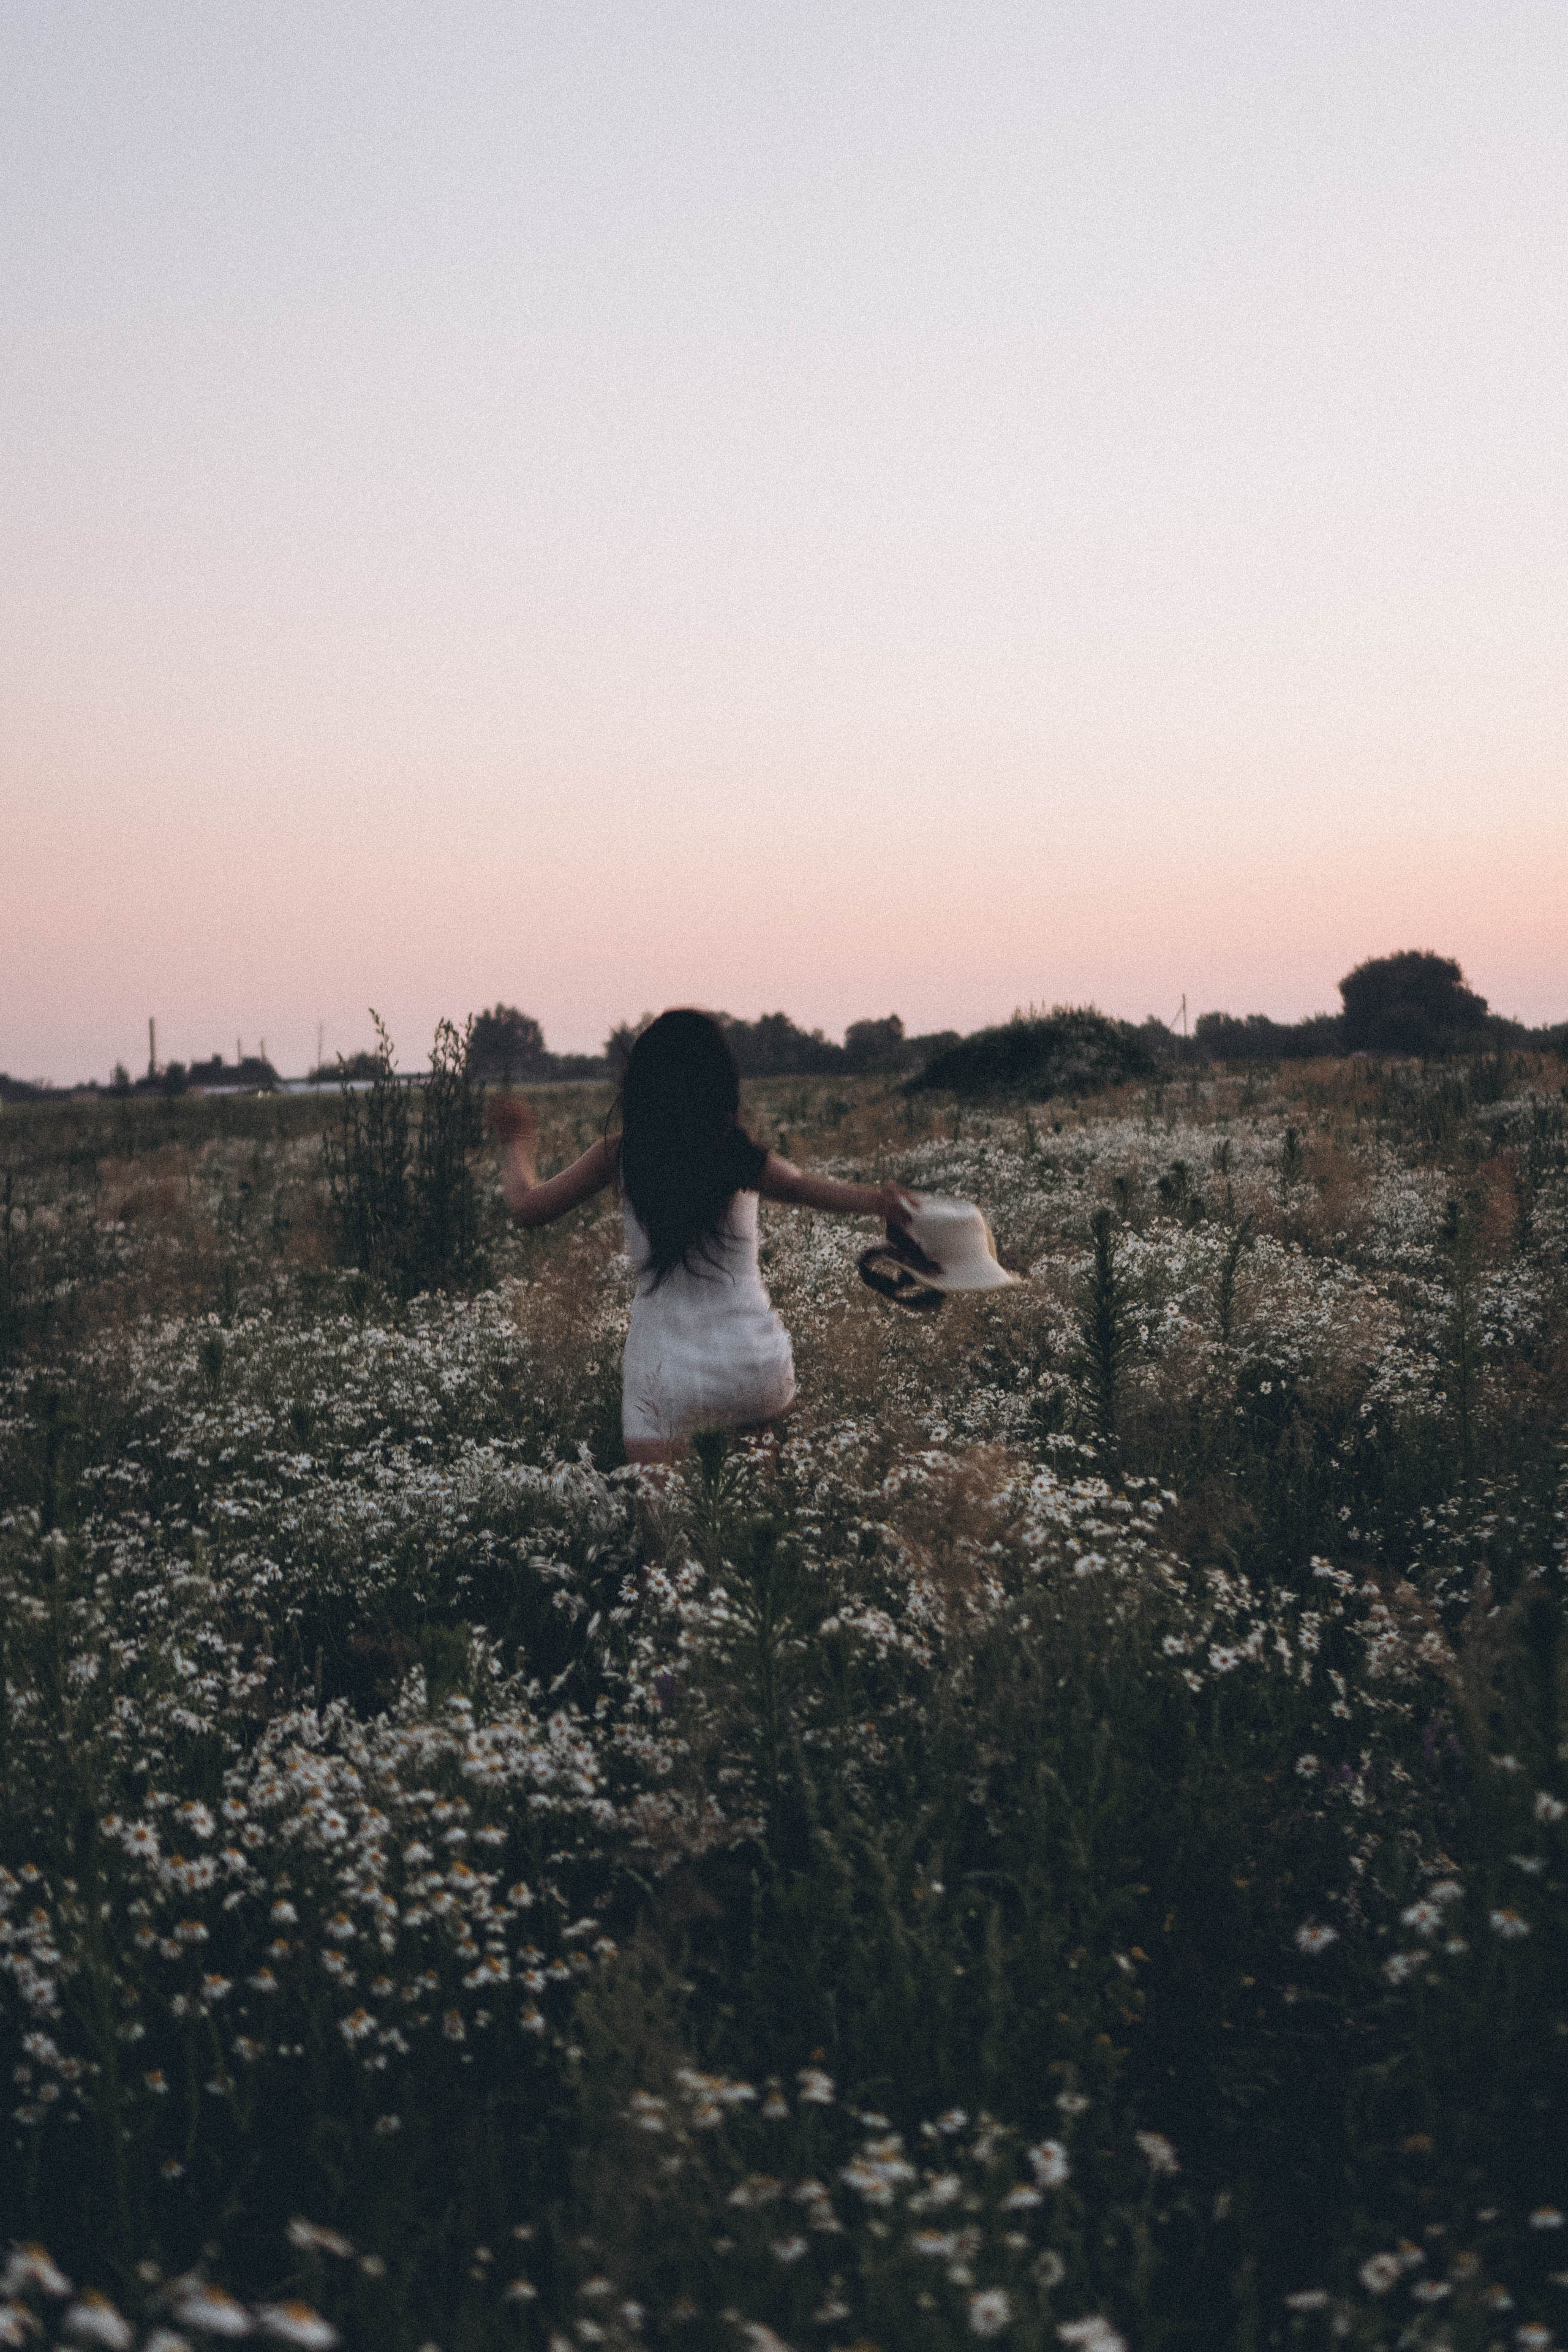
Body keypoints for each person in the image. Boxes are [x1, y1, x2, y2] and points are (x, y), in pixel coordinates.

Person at [488, 1008, 916, 1465]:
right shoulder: (735, 1151)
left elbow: (528, 1209)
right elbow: (799, 1186)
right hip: (751, 1366)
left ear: (642, 1083)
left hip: (665, 1375)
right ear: (719, 1082)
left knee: (663, 1530)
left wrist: (516, 1141)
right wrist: (877, 1200)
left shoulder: (621, 1153)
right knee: (751, 1528)